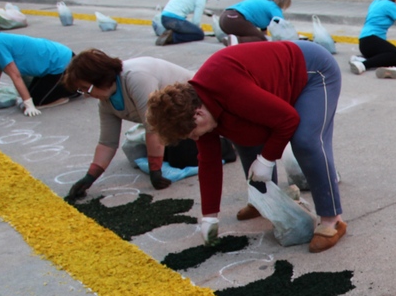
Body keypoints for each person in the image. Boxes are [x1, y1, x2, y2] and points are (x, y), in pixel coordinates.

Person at [145, 40, 346, 252]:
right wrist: (209, 216)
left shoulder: (227, 87)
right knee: (245, 136)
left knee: (305, 141)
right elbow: (209, 162)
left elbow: (287, 119)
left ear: (198, 113)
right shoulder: (196, 109)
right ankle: (263, 198)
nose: (196, 138)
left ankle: (332, 220)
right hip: (276, 86)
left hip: (313, 71)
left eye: (193, 133)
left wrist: (267, 160)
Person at [60, 49, 196, 199]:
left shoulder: (136, 79)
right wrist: (89, 179)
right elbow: (107, 143)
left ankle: (224, 143)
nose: (86, 95)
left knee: (182, 156)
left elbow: (153, 128)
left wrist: (155, 170)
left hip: (193, 111)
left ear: (100, 78)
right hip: (167, 122)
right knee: (138, 149)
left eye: (87, 88)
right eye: (82, 90)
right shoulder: (105, 101)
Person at [156, 0, 222, 45]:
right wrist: (198, 29)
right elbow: (196, 21)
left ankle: (170, 34)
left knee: (189, 29)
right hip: (175, 21)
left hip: (164, 19)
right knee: (199, 34)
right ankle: (173, 37)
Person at [215, 0, 291, 44]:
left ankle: (233, 41)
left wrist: (264, 35)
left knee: (257, 37)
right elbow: (281, 26)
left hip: (224, 18)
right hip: (235, 19)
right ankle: (235, 40)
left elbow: (262, 26)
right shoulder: (274, 7)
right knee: (261, 39)